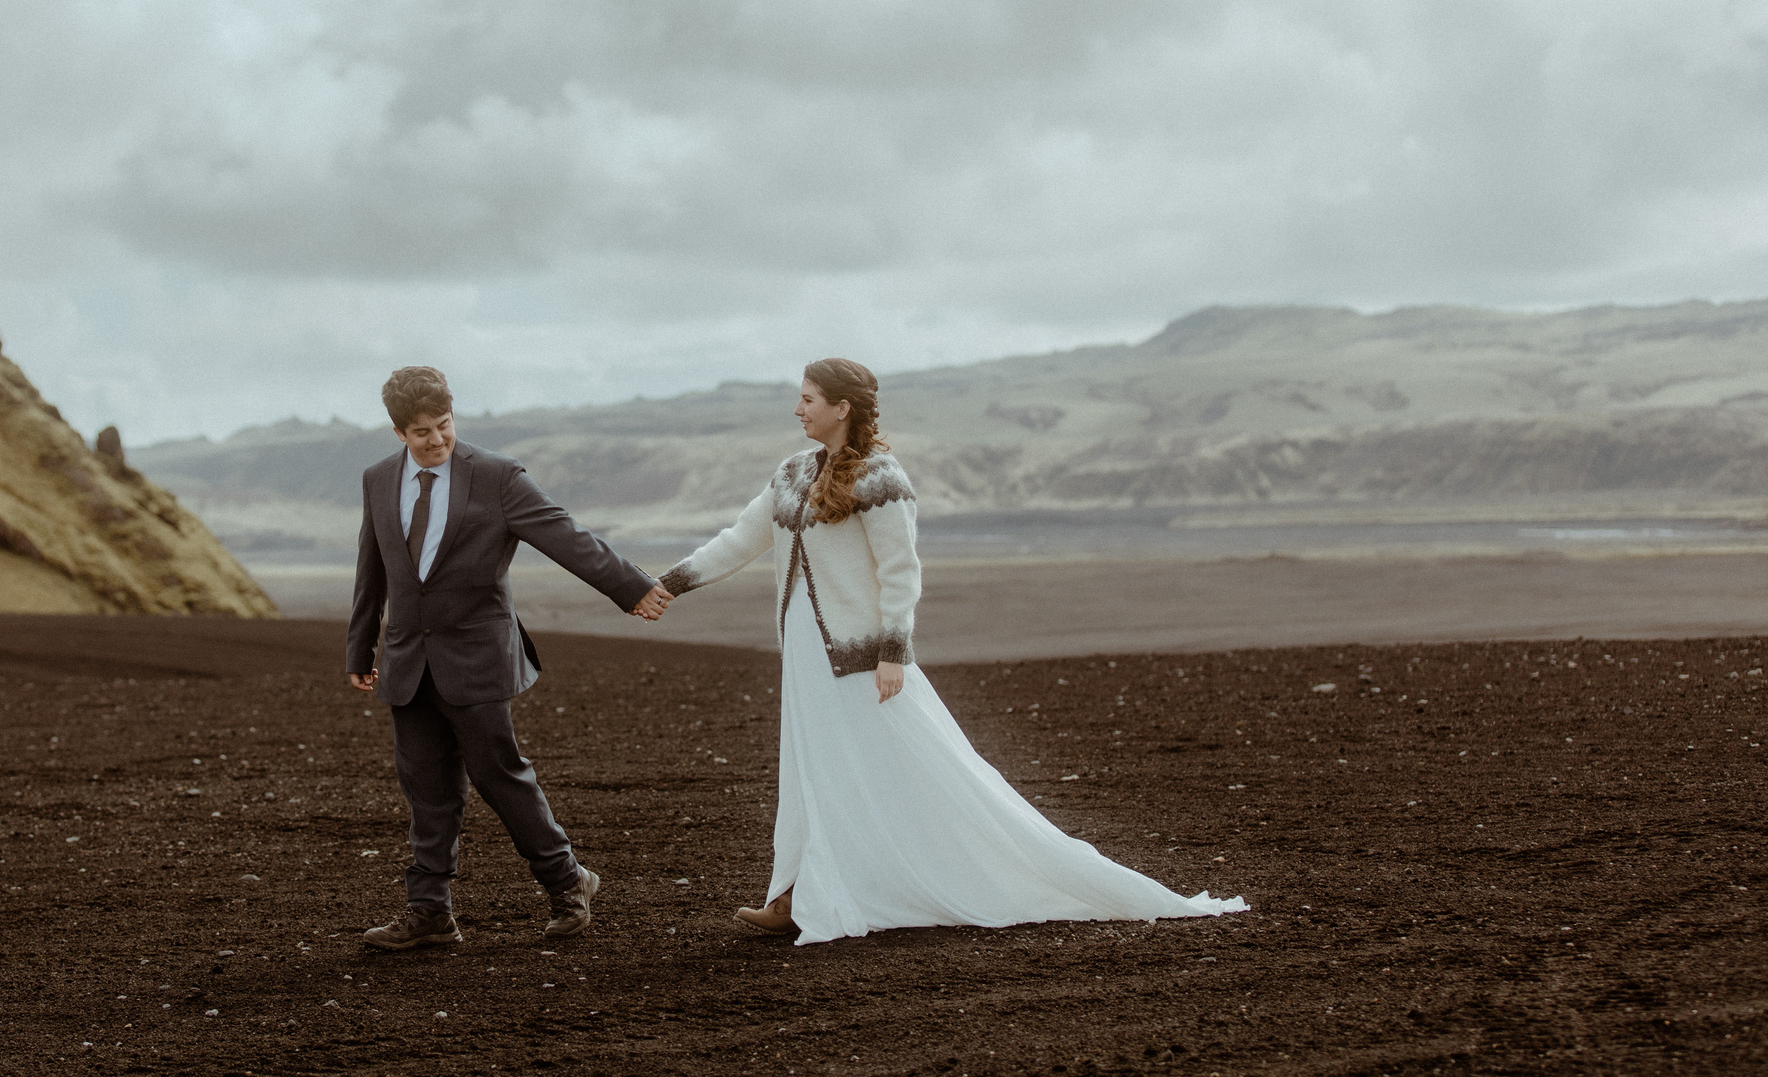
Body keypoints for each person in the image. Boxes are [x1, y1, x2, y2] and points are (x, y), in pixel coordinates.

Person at [655, 357, 1247, 946]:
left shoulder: (881, 477)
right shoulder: (790, 474)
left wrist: (894, 652)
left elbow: (900, 571)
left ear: (842, 408)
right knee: (813, 768)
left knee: (911, 768)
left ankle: (877, 886)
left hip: (860, 656)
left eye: (808, 399)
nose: (797, 409)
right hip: (806, 654)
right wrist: (666, 585)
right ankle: (798, 894)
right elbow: (741, 539)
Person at [347, 366, 672, 950]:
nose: (437, 439)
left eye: (444, 424)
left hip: (477, 657)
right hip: (406, 660)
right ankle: (430, 911)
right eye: (421, 431)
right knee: (425, 787)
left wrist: (631, 587)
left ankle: (567, 881)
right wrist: (360, 645)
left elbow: (564, 534)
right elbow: (372, 566)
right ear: (398, 432)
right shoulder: (377, 479)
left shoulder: (497, 476)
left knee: (500, 777)